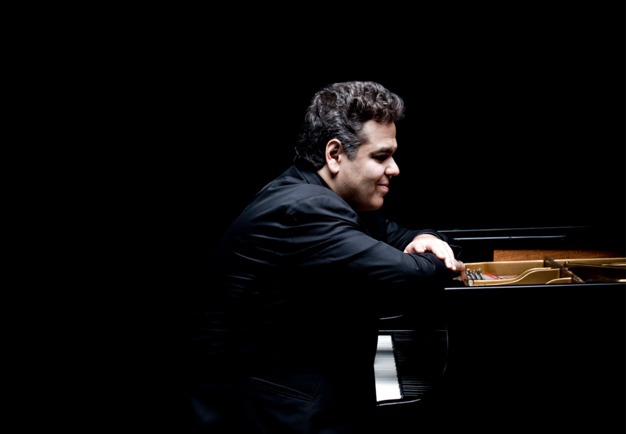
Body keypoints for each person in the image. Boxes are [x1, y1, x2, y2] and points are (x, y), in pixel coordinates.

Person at [189, 81, 465, 433]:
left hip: (291, 393)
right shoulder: (304, 209)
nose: (394, 169)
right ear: (334, 154)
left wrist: (428, 238)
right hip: (270, 412)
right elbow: (408, 275)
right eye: (381, 157)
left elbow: (401, 238)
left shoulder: (331, 199)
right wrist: (440, 259)